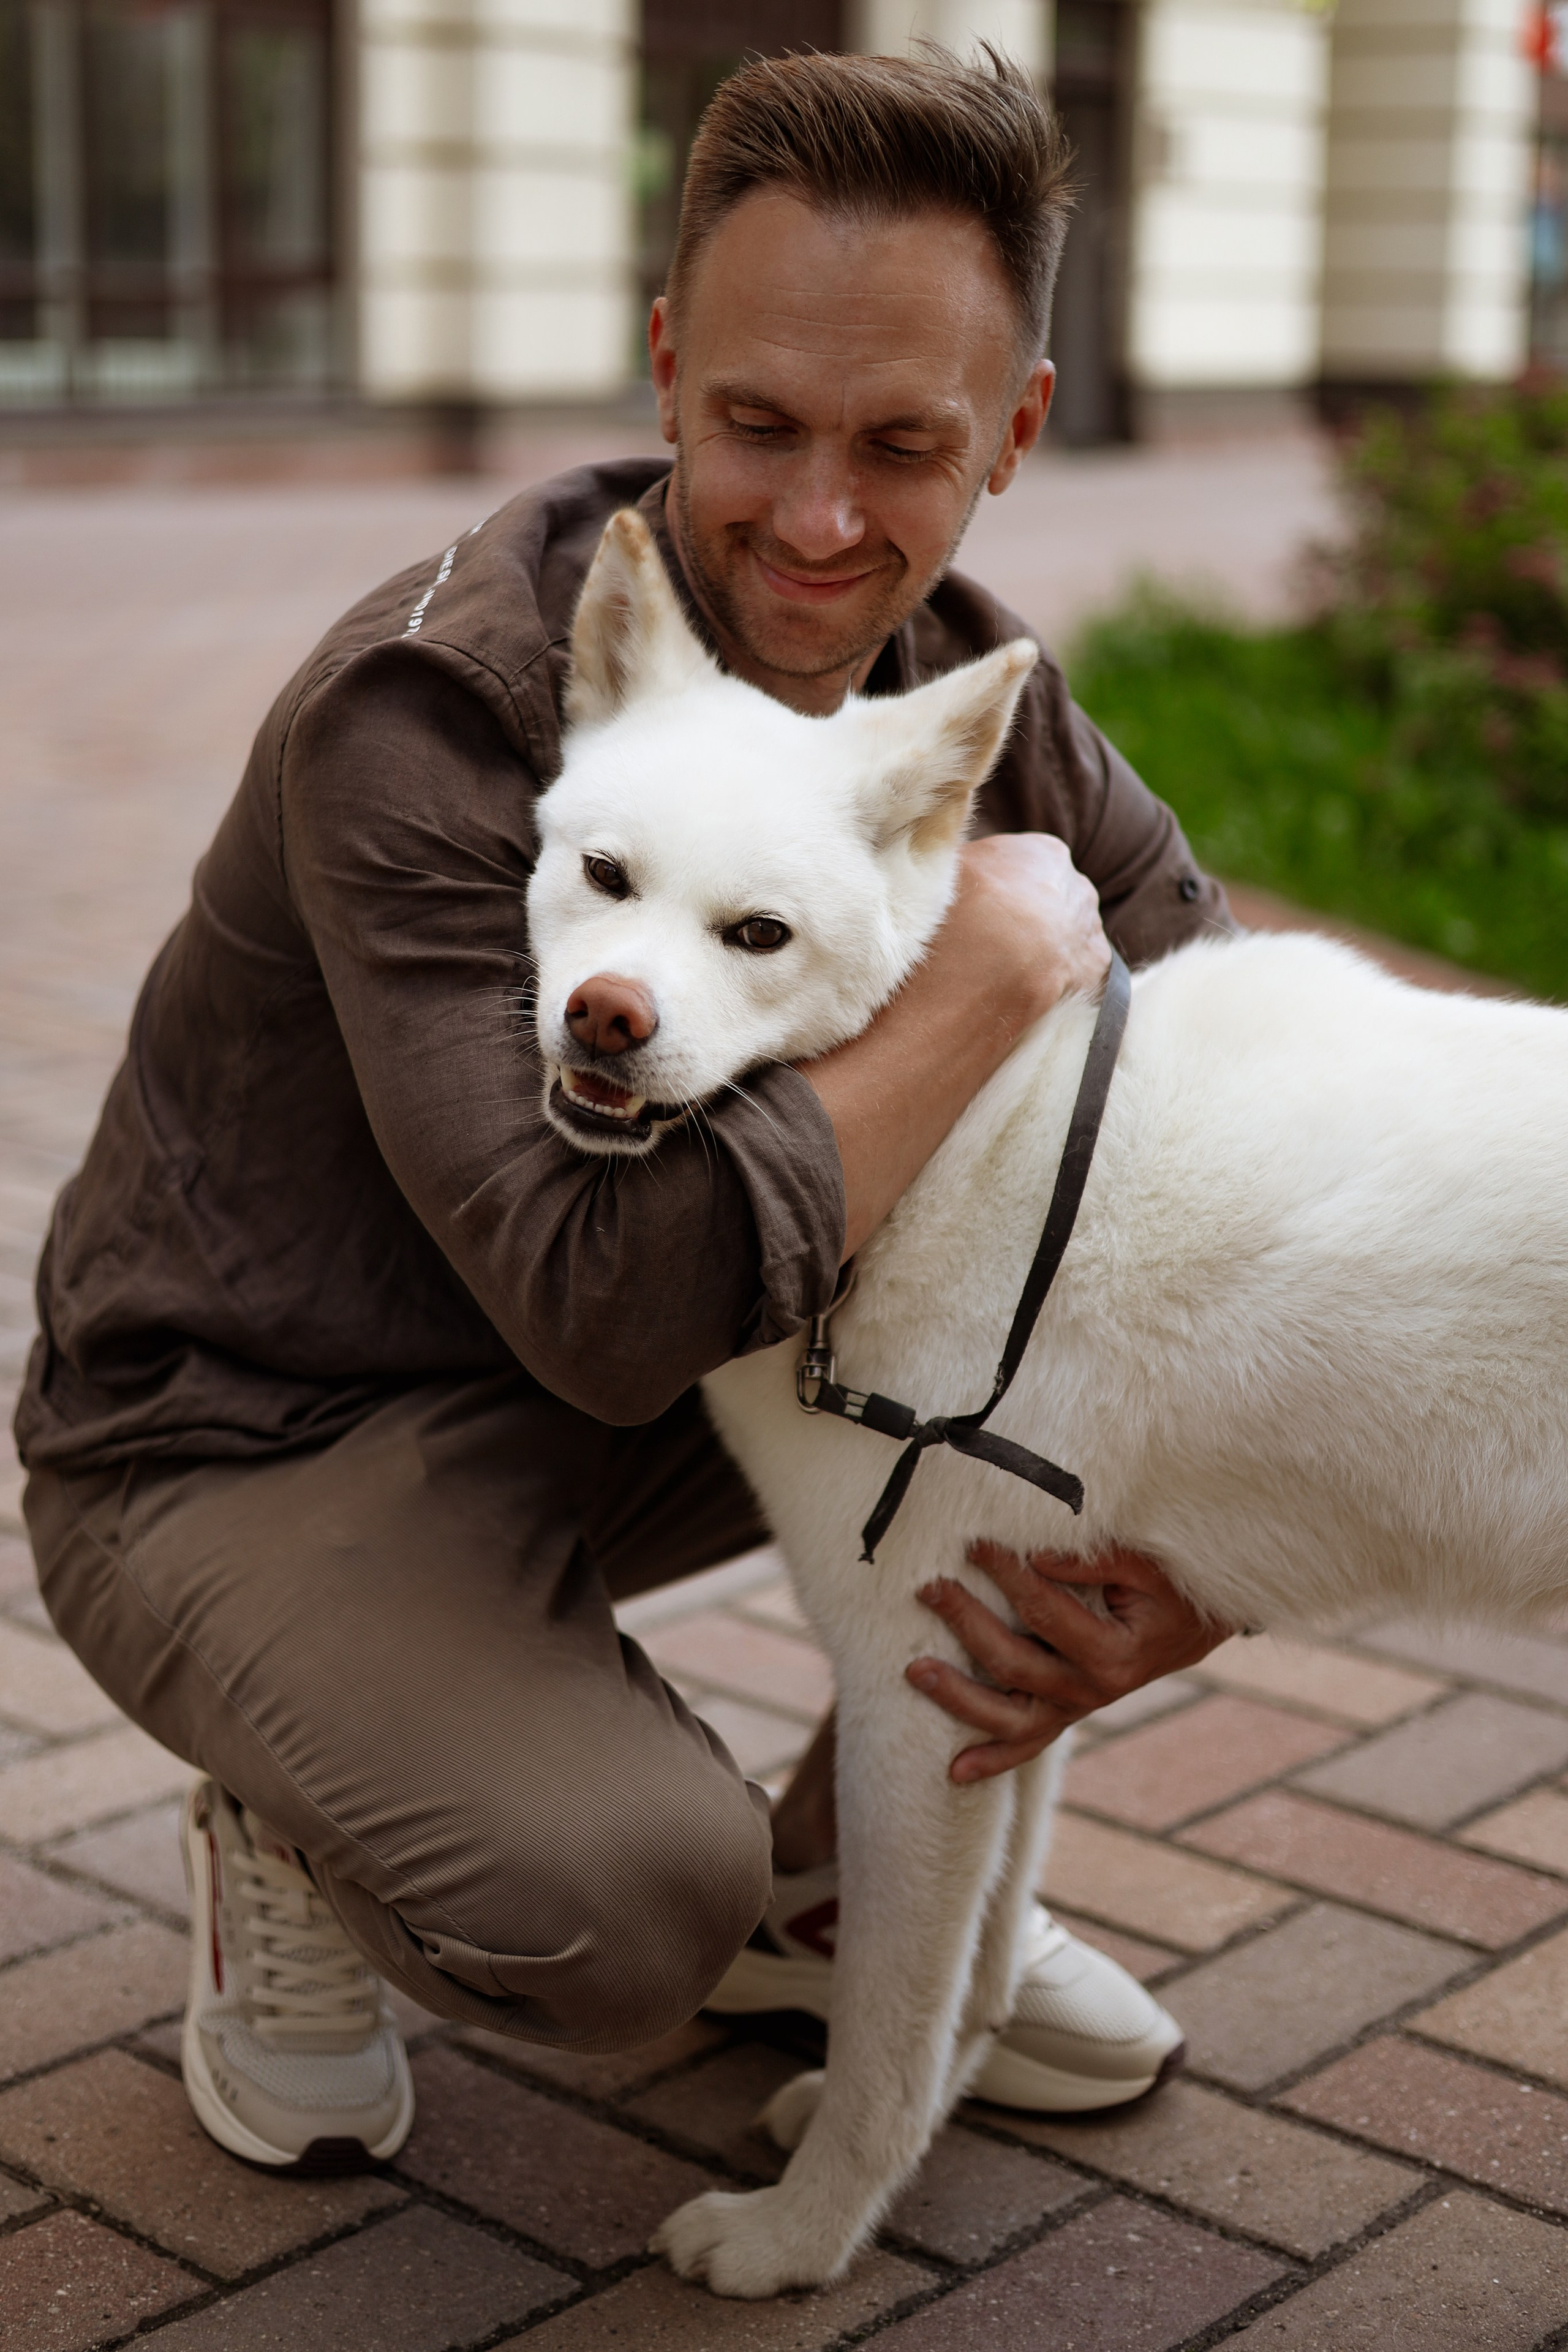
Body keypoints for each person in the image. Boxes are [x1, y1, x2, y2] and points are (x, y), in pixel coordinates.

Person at [16, 47, 1235, 2173]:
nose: (820, 519)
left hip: (628, 1389)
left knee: (1149, 1303)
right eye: (758, 425)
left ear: (1015, 433)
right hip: (252, 1425)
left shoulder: (965, 703)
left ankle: (853, 1885)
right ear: (667, 365)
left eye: (903, 446)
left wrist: (1206, 1558)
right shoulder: (432, 711)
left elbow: (1245, 1109)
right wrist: (987, 979)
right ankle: (293, 1796)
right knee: (622, 1902)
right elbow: (601, 1305)